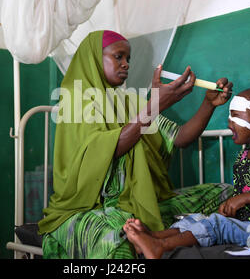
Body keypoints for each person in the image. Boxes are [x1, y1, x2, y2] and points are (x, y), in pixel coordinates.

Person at [38, 30, 233, 258]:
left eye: (128, 59)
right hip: (93, 206)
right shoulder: (74, 99)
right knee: (116, 241)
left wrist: (209, 104)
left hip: (140, 202)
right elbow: (109, 150)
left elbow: (180, 138)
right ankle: (149, 237)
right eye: (118, 56)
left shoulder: (130, 100)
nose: (126, 64)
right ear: (93, 58)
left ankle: (155, 237)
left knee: (228, 194)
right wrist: (154, 107)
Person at [123, 87, 250, 258]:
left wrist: (243, 199)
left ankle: (161, 246)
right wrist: (233, 206)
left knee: (217, 225)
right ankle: (155, 237)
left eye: (234, 116)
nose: (229, 122)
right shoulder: (246, 154)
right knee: (198, 218)